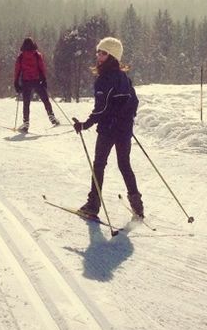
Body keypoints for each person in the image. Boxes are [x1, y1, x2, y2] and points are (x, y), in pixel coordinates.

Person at [72, 37, 144, 220]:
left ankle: (92, 206)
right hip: (123, 130)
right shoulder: (124, 78)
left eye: (103, 53)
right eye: (98, 52)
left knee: (99, 165)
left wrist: (85, 124)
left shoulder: (104, 79)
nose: (99, 56)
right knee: (124, 165)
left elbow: (101, 109)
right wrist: (126, 122)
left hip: (108, 129)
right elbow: (133, 102)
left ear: (112, 56)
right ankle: (138, 207)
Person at [13, 36, 59, 133]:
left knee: (26, 103)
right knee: (45, 99)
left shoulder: (21, 57)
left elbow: (17, 70)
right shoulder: (37, 55)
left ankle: (26, 123)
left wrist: (16, 82)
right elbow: (42, 68)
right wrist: (44, 79)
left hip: (26, 82)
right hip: (37, 81)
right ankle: (52, 117)